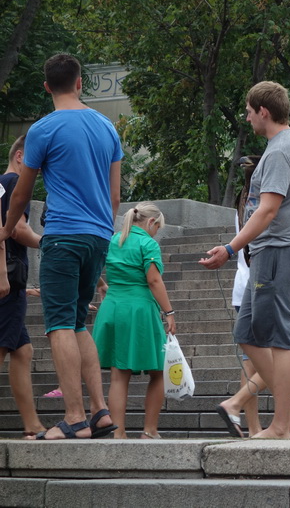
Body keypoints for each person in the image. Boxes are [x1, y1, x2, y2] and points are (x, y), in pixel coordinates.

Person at [0, 53, 121, 440]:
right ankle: (100, 411)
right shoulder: (107, 127)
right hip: (99, 235)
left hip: (64, 235)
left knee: (58, 325)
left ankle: (73, 417)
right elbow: (115, 196)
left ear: (47, 86)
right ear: (81, 82)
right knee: (77, 321)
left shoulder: (43, 129)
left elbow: (22, 191)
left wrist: (6, 228)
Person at [201, 81, 290, 440]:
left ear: (263, 111)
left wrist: (231, 248)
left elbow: (267, 210)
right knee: (246, 333)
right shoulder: (284, 148)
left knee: (282, 338)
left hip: (278, 250)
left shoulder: (282, 150)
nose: (247, 118)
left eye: (249, 111)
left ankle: (281, 426)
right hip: (272, 252)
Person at [92, 203, 175, 439]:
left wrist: (102, 286)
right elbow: (154, 281)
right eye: (157, 227)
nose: (156, 232)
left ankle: (118, 433)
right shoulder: (148, 244)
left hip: (113, 307)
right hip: (139, 309)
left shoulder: (113, 240)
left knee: (119, 374)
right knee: (159, 371)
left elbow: (91, 265)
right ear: (151, 223)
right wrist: (169, 312)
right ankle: (150, 430)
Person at [0, 135, 46, 439]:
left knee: (23, 350)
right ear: (20, 156)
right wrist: (51, 244)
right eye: (35, 163)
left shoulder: (1, 182)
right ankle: (32, 425)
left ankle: (32, 425)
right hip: (8, 281)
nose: (38, 171)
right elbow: (16, 230)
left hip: (13, 281)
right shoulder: (16, 182)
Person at [231, 211, 262, 437]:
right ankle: (236, 406)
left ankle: (252, 426)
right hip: (258, 284)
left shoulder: (242, 203)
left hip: (244, 285)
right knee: (275, 355)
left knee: (250, 361)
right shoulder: (261, 204)